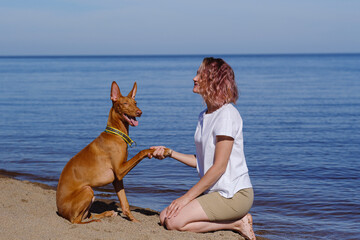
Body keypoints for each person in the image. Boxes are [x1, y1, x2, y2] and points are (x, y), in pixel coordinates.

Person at [149, 57, 256, 240]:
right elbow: (203, 161)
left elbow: (219, 167)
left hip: (234, 195)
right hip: (216, 192)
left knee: (174, 222)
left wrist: (186, 197)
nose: (194, 78)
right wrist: (170, 153)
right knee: (164, 217)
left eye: (201, 75)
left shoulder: (227, 114)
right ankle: (235, 223)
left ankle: (238, 222)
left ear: (215, 81)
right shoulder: (204, 116)